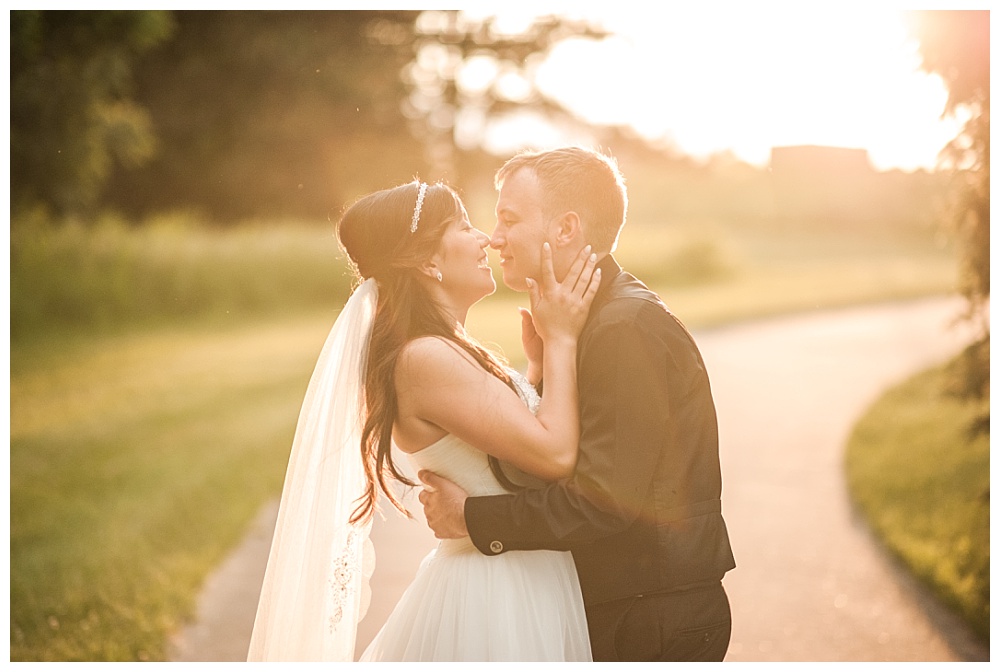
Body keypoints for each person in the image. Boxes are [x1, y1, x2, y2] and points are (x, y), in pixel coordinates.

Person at [247, 179, 601, 661]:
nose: (487, 240)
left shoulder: (445, 348)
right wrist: (562, 339)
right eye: (463, 226)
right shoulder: (425, 359)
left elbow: (507, 448)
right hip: (496, 595)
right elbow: (554, 454)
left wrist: (536, 369)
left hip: (514, 574)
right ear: (427, 262)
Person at [419, 146, 737, 662]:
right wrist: (543, 371)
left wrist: (472, 519)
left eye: (509, 219)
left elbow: (600, 501)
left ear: (565, 229)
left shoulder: (623, 328)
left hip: (647, 619)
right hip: (624, 607)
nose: (495, 237)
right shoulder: (583, 323)